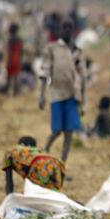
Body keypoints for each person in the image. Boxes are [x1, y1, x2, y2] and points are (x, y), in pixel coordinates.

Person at [39, 19, 86, 164]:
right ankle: (44, 151)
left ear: (73, 30)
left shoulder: (77, 51)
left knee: (69, 133)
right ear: (60, 30)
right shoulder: (52, 48)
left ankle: (61, 166)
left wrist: (83, 103)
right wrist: (41, 95)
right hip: (57, 94)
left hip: (73, 95)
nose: (66, 30)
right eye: (64, 27)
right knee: (57, 130)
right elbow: (45, 71)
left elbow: (82, 77)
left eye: (69, 28)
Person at [6, 23, 23, 96]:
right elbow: (21, 51)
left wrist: (9, 61)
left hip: (12, 59)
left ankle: (7, 90)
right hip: (17, 59)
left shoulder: (10, 39)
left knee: (9, 77)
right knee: (16, 76)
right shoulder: (20, 39)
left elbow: (10, 51)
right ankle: (15, 92)